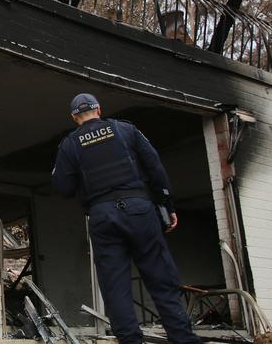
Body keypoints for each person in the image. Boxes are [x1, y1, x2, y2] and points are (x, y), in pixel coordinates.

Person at [52, 93, 203, 344]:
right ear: (99, 109)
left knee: (115, 285)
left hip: (102, 216)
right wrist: (167, 204)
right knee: (160, 276)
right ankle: (183, 338)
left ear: (74, 117)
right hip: (139, 210)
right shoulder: (125, 130)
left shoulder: (69, 144)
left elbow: (64, 187)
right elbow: (154, 166)